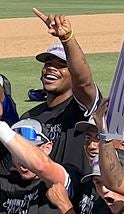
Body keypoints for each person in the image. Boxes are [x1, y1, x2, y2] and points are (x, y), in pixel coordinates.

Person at [20, 9, 100, 170]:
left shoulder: (81, 109)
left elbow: (84, 82)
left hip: (75, 193)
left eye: (61, 65)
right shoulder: (30, 117)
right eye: (48, 63)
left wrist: (67, 39)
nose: (51, 68)